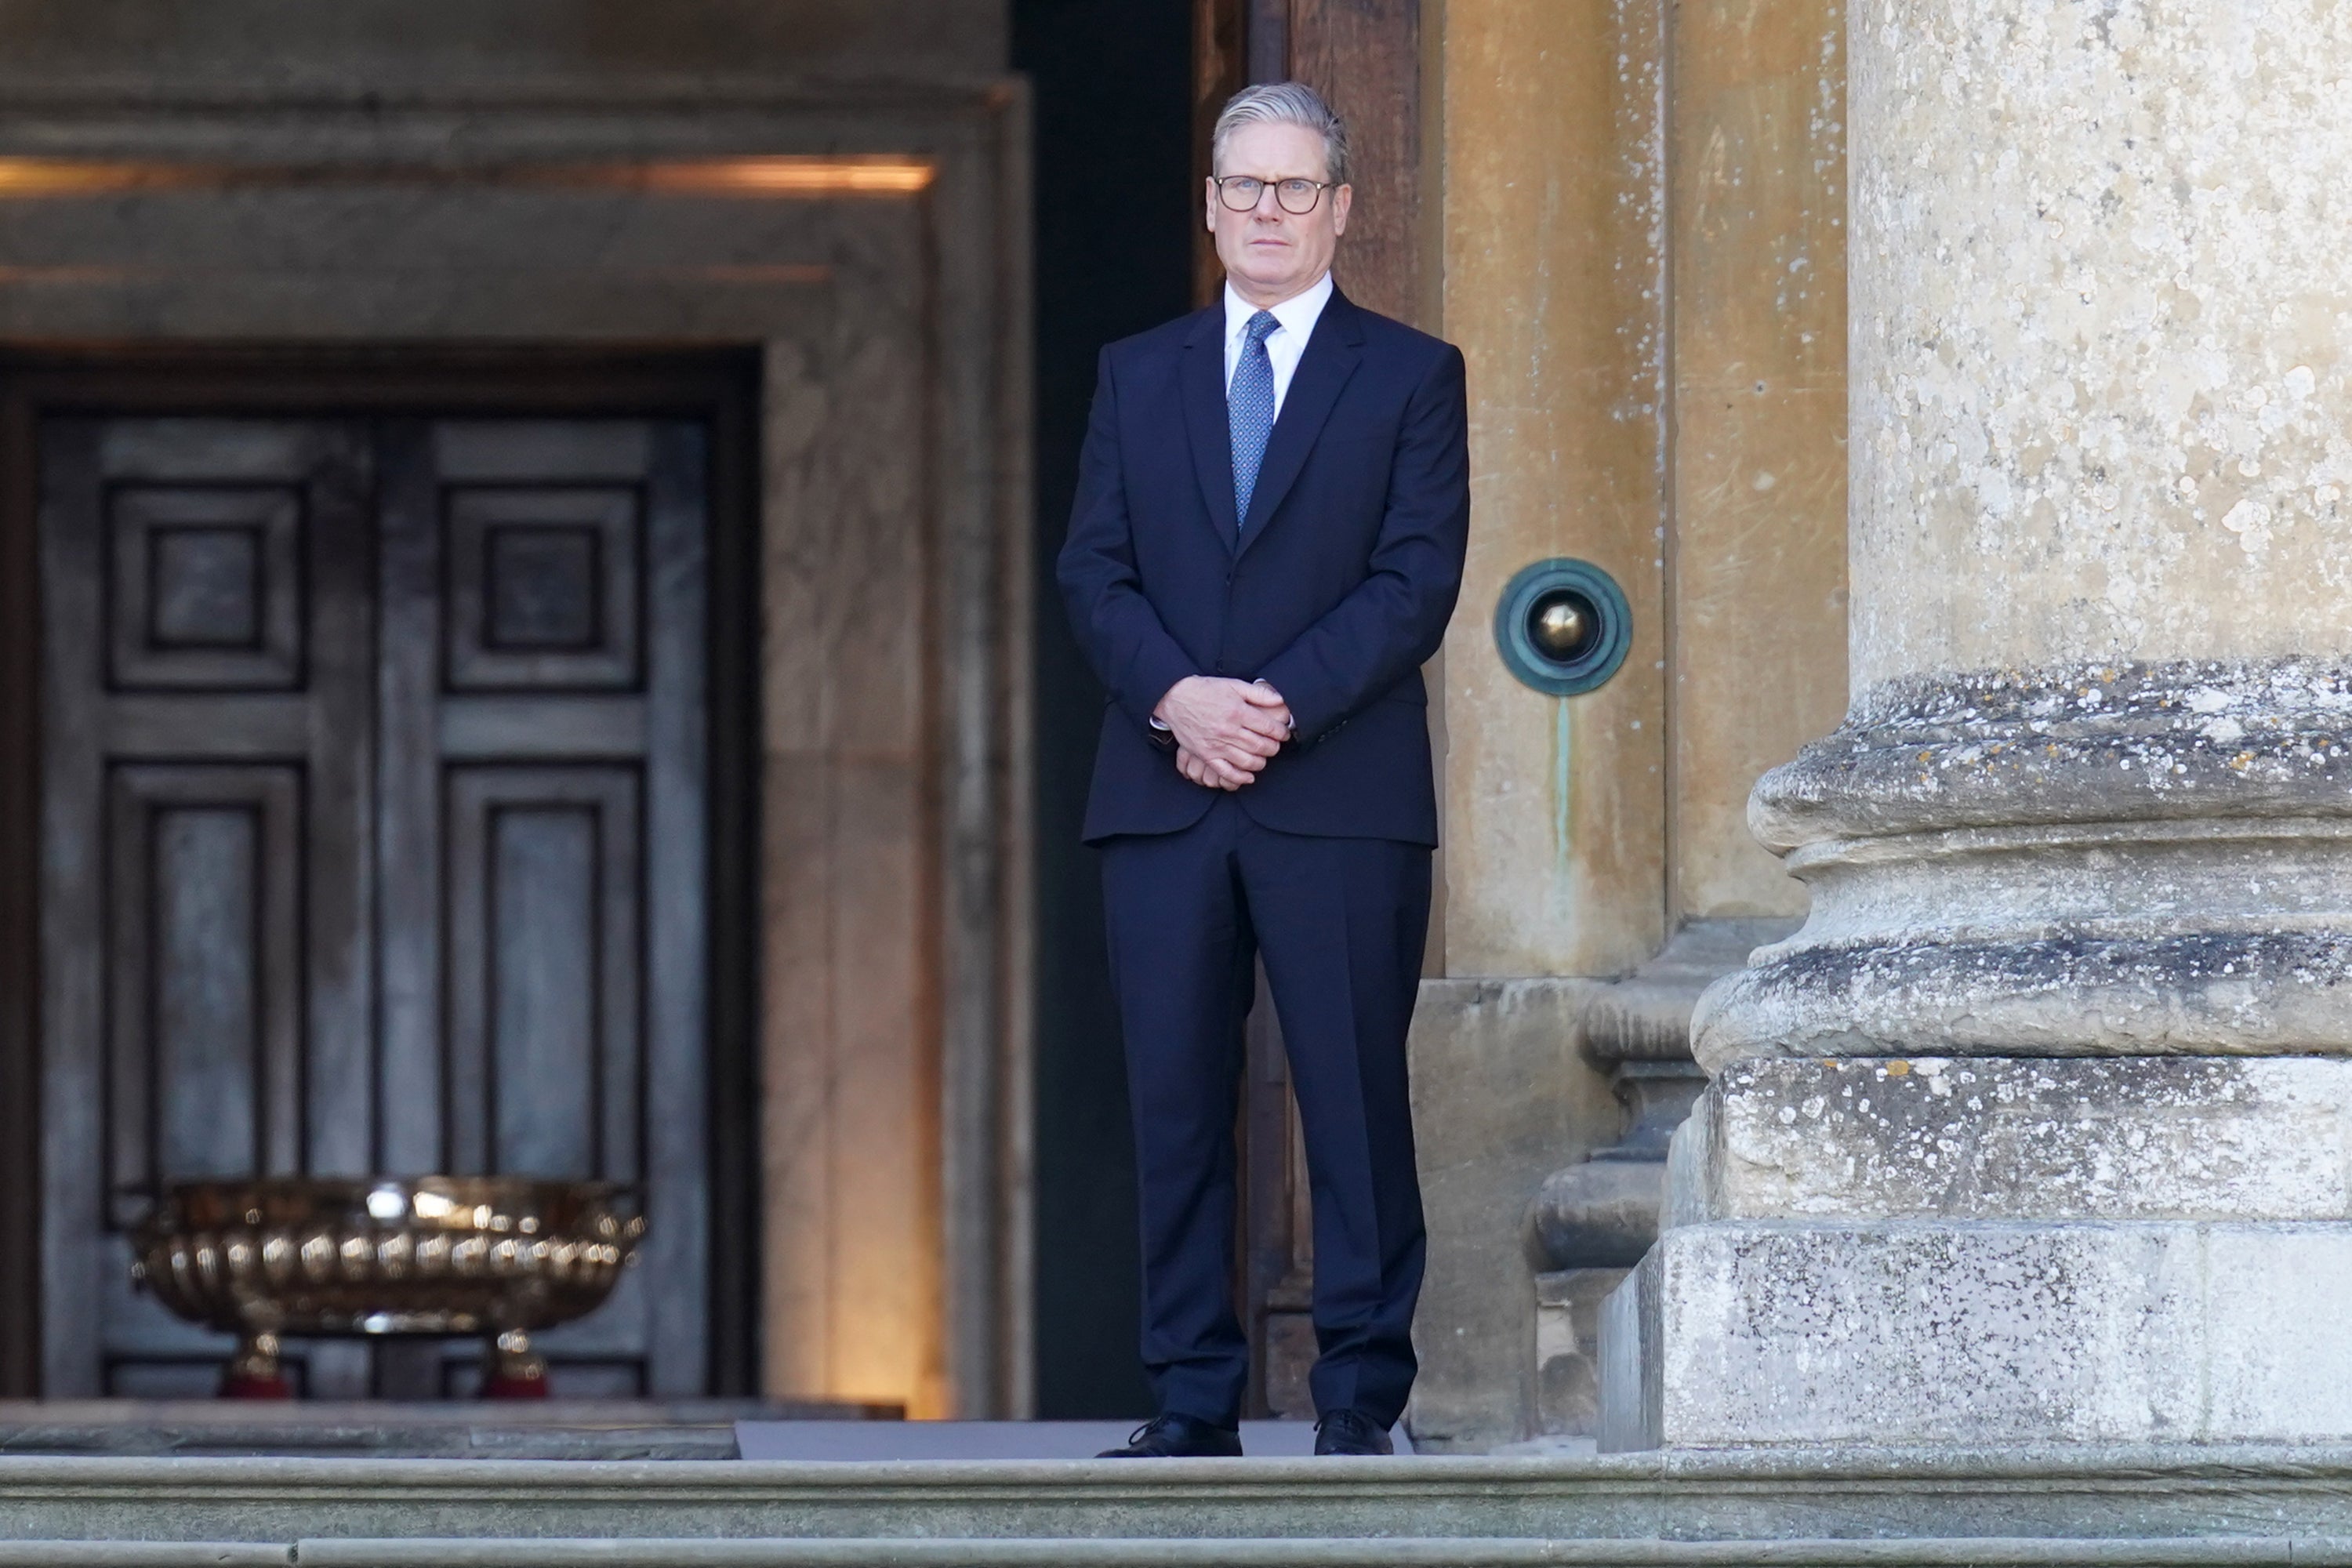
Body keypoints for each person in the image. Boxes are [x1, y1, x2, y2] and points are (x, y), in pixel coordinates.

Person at [1058, 80, 1470, 1459]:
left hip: (1337, 796)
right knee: (1175, 1105)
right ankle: (1189, 1399)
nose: (1269, 212)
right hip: (1163, 790)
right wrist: (1181, 697)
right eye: (1245, 187)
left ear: (1342, 208)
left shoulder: (1412, 375)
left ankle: (1358, 1397)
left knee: (1351, 1098)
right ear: (1213, 203)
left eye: (1296, 188)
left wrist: (1269, 708)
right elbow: (1092, 569)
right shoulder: (1139, 371)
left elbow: (1414, 585)